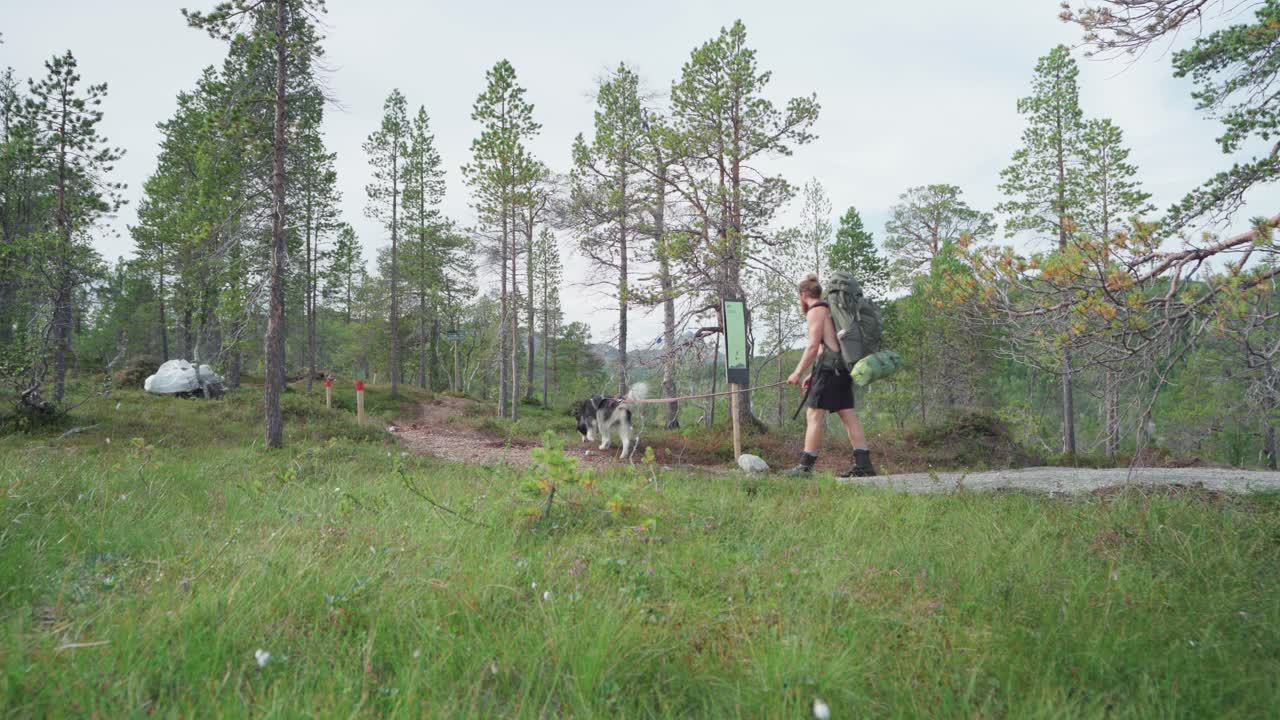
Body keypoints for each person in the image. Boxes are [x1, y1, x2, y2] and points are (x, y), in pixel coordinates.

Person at [784, 274, 876, 477]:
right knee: (848, 415)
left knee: (814, 415)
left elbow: (813, 346)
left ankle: (805, 467)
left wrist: (797, 372)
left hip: (829, 372)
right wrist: (811, 373)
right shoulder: (830, 309)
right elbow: (829, 345)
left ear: (803, 294)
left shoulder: (816, 311)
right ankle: (864, 465)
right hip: (841, 369)